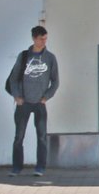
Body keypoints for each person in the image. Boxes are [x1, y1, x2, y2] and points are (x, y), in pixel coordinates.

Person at [5, 25, 60, 177]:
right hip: (23, 103)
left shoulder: (50, 58)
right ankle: (17, 168)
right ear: (34, 38)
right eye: (41, 39)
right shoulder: (24, 56)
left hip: (40, 104)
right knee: (19, 136)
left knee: (41, 136)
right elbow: (14, 79)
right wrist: (17, 96)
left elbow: (55, 81)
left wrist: (46, 97)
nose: (44, 41)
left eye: (46, 38)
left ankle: (40, 167)